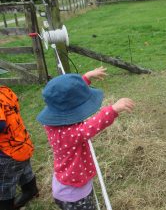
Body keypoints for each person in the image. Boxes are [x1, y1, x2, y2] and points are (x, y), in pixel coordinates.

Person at [37, 66, 134, 210]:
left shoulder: (53, 123)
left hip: (67, 184)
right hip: (74, 195)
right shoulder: (69, 134)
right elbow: (90, 126)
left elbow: (66, 97)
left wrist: (86, 78)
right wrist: (113, 110)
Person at [0, 86, 39, 210]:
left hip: (7, 152)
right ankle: (31, 191)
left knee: (5, 182)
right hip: (22, 142)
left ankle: (6, 206)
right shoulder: (5, 90)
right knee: (24, 169)